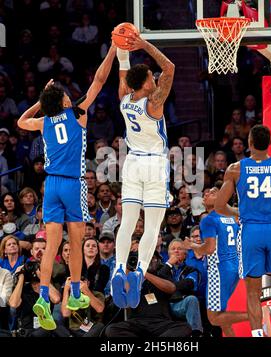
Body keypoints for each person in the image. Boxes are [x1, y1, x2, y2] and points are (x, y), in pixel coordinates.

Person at [17, 44, 117, 330]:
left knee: (50, 246)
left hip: (51, 185)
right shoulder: (77, 113)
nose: (69, 95)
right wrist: (112, 50)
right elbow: (99, 80)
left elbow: (21, 120)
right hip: (73, 184)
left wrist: (40, 101)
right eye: (64, 94)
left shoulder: (44, 122)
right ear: (63, 102)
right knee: (75, 242)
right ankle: (74, 293)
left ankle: (45, 294)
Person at [214, 124, 271, 337]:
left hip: (251, 231)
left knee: (253, 290)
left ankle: (257, 335)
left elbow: (218, 206)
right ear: (270, 143)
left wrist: (237, 213)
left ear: (249, 144)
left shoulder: (235, 169)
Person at [111, 33, 175, 309]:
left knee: (127, 222)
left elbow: (123, 70)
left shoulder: (124, 98)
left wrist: (121, 49)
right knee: (151, 226)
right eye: (152, 76)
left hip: (133, 163)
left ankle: (119, 267)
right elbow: (170, 68)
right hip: (154, 165)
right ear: (147, 83)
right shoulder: (154, 103)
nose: (155, 79)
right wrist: (144, 45)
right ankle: (139, 272)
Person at [184, 187, 248, 336]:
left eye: (212, 193)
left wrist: (191, 245)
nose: (206, 194)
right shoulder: (232, 217)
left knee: (214, 318)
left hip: (218, 270)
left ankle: (254, 316)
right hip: (234, 268)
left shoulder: (208, 219)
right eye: (205, 193)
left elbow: (209, 249)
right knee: (224, 320)